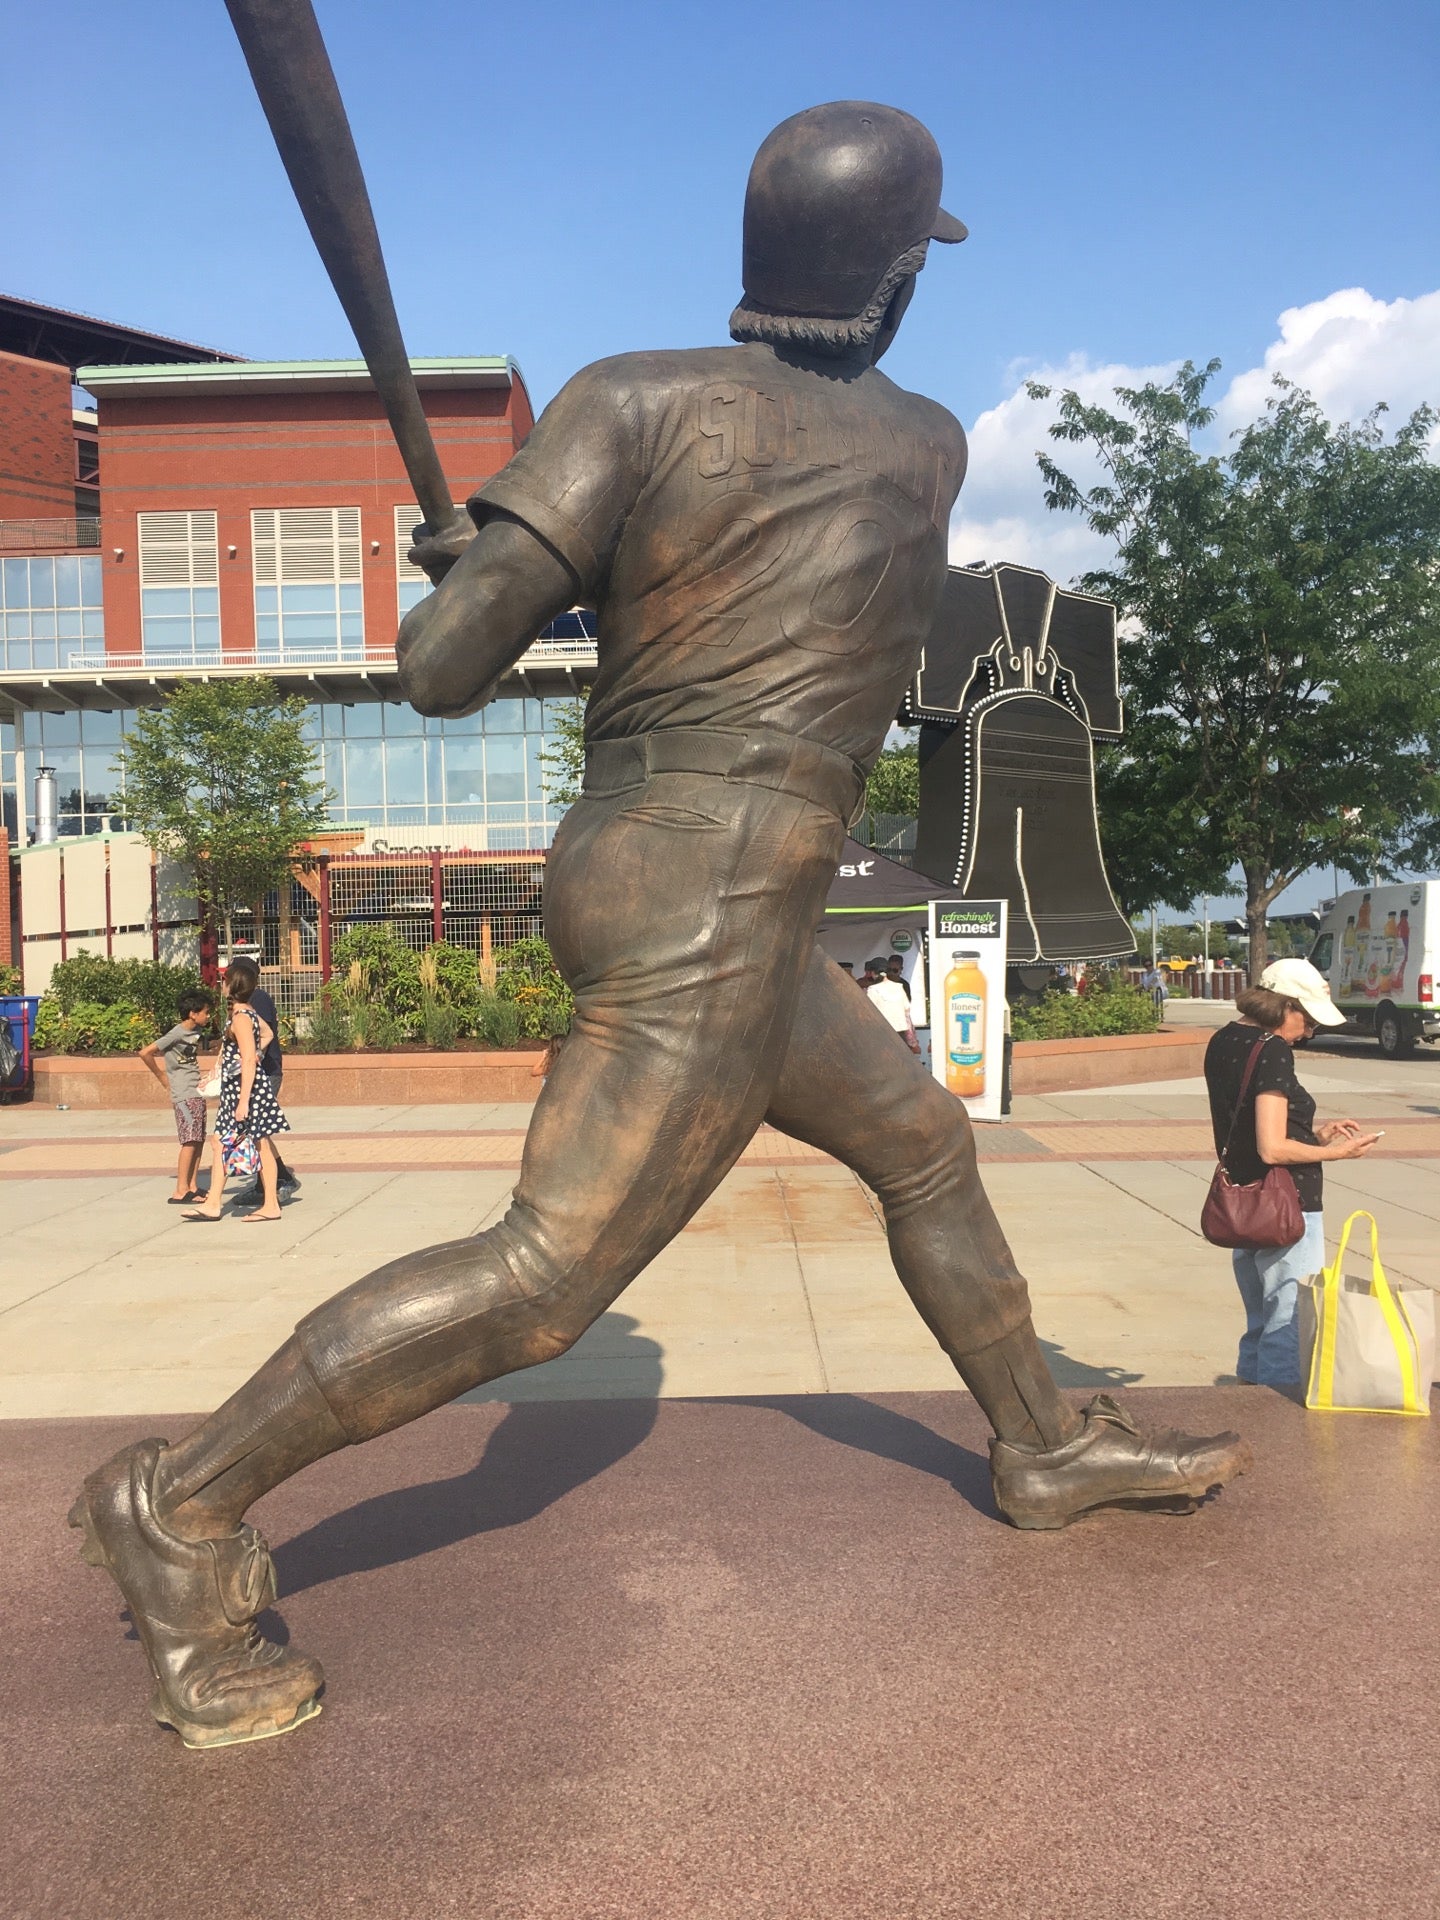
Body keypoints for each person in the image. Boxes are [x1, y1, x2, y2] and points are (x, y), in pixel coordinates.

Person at [71, 102, 1249, 1752]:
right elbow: (777, 582)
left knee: (919, 1143)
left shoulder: (626, 399)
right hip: (724, 884)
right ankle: (181, 1506)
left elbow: (438, 670)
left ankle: (1039, 1440)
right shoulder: (924, 442)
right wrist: (537, 565)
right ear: (896, 280)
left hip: (659, 862)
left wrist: (492, 564)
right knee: (549, 1278)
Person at [1203, 959, 1377, 1386]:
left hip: (1244, 1198)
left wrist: (1315, 1137)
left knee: (1260, 1320)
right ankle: (1278, 1422)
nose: (1311, 1032)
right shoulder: (1272, 1049)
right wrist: (1339, 1154)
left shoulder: (1225, 1039)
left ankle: (1250, 1405)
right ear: (1286, 1006)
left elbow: (1247, 1129)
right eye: (1309, 1019)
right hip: (1288, 1205)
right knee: (1288, 1321)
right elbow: (1273, 1146)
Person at [183, 963, 292, 1227]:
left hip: (245, 1093)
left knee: (256, 1144)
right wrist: (225, 1067)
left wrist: (243, 1100)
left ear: (232, 985)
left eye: (224, 981)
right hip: (240, 1090)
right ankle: (216, 1203)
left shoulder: (242, 1018)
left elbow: (247, 1061)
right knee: (227, 1142)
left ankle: (268, 1204)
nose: (222, 986)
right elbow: (266, 1034)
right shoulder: (246, 1013)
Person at [223, 956, 300, 1206]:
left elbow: (266, 1032)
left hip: (266, 1072)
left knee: (257, 1132)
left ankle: (273, 1185)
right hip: (254, 1073)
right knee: (258, 1133)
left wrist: (256, 1054)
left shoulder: (257, 1000)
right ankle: (277, 1181)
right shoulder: (240, 1004)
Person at [139, 990, 215, 1204]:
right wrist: (162, 1077)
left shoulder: (196, 1032)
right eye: (205, 1012)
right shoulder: (176, 1033)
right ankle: (180, 1189)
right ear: (193, 1013)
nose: (208, 1016)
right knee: (189, 1140)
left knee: (198, 1139)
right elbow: (145, 1052)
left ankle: (192, 1185)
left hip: (196, 1090)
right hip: (183, 1093)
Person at [866, 958, 920, 1053]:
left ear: (873, 973)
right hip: (900, 1034)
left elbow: (869, 1013)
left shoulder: (873, 989)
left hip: (882, 1034)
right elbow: (907, 1011)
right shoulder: (898, 987)